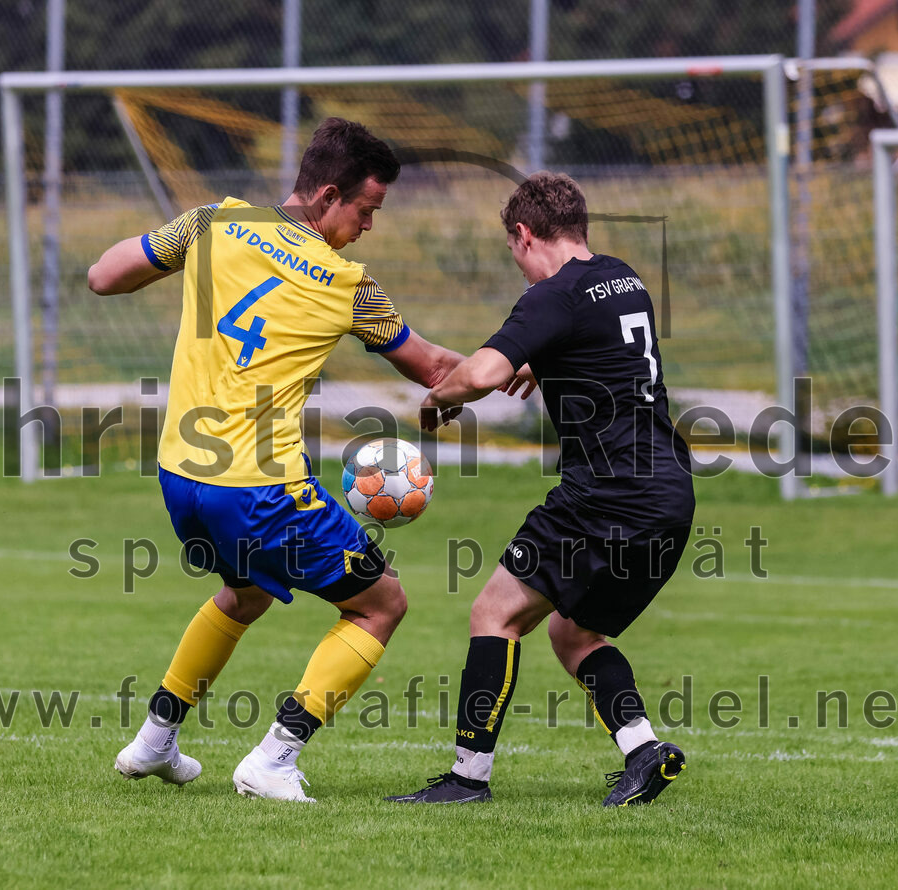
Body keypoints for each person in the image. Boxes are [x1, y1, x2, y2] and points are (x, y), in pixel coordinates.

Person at [88, 118, 471, 802]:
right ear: (328, 196)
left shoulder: (212, 222)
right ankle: (274, 758)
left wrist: (181, 254)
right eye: (366, 210)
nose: (368, 226)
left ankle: (154, 740)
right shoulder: (349, 285)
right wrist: (519, 360)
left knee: (246, 593)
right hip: (260, 488)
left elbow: (103, 276)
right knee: (381, 604)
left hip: (182, 478)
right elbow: (436, 368)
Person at [386, 172, 696, 808]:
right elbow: (599, 346)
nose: (519, 267)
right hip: (668, 494)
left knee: (493, 615)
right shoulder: (624, 278)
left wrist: (438, 398)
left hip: (606, 494)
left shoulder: (553, 295)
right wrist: (542, 361)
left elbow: (482, 372)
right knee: (571, 633)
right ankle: (644, 751)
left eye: (514, 251)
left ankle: (467, 778)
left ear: (524, 234)